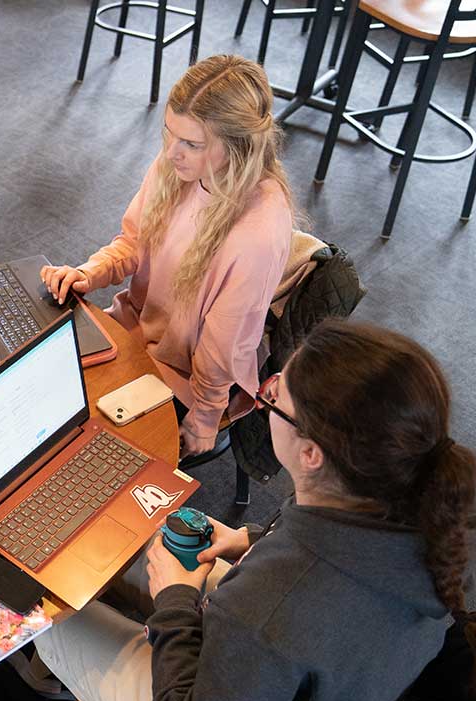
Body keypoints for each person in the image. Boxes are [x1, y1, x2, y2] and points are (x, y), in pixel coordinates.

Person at [35, 319, 476, 701]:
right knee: (142, 549)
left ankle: (45, 672)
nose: (269, 388)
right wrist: (254, 541)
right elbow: (331, 578)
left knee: (48, 621)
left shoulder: (269, 608)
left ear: (310, 454)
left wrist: (175, 603)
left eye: (277, 395)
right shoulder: (438, 520)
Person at [41, 54, 293, 459]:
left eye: (191, 144)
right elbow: (134, 242)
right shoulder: (179, 166)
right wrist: (91, 272)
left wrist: (206, 417)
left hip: (184, 376)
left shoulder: (256, 234)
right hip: (134, 333)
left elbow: (222, 346)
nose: (171, 153)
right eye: (169, 134)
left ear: (237, 146)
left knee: (74, 444)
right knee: (35, 380)